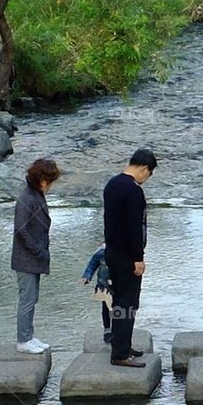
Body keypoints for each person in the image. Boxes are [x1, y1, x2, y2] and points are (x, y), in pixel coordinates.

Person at [103, 148, 157, 368]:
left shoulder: (112, 184)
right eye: (149, 174)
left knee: (119, 302)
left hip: (112, 252)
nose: (146, 178)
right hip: (127, 256)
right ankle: (120, 354)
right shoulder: (134, 191)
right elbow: (134, 227)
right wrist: (138, 257)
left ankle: (122, 344)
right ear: (144, 168)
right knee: (128, 303)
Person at [12, 157, 61, 353]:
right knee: (27, 300)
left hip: (33, 258)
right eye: (49, 181)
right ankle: (23, 340)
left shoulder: (35, 194)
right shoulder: (26, 198)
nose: (50, 185)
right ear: (41, 180)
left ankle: (29, 336)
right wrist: (37, 250)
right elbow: (20, 229)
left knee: (32, 299)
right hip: (26, 259)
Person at [81, 246, 117, 345]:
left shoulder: (123, 251)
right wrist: (87, 276)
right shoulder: (101, 252)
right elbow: (92, 265)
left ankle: (117, 328)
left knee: (118, 307)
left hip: (119, 285)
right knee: (106, 307)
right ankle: (107, 329)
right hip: (104, 285)